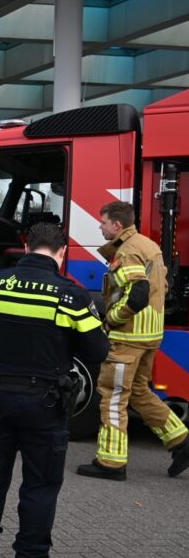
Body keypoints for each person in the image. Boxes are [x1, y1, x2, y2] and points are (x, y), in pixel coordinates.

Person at [0, 223, 109, 558]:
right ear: (61, 252)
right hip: (44, 404)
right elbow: (97, 351)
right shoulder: (71, 296)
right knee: (40, 487)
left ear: (26, 246)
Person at [77, 201, 189, 480]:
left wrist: (112, 318)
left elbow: (138, 293)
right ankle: (182, 441)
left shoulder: (127, 251)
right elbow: (161, 288)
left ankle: (110, 463)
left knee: (113, 395)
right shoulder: (148, 245)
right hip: (149, 336)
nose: (100, 227)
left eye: (103, 222)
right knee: (139, 391)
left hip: (128, 337)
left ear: (117, 225)